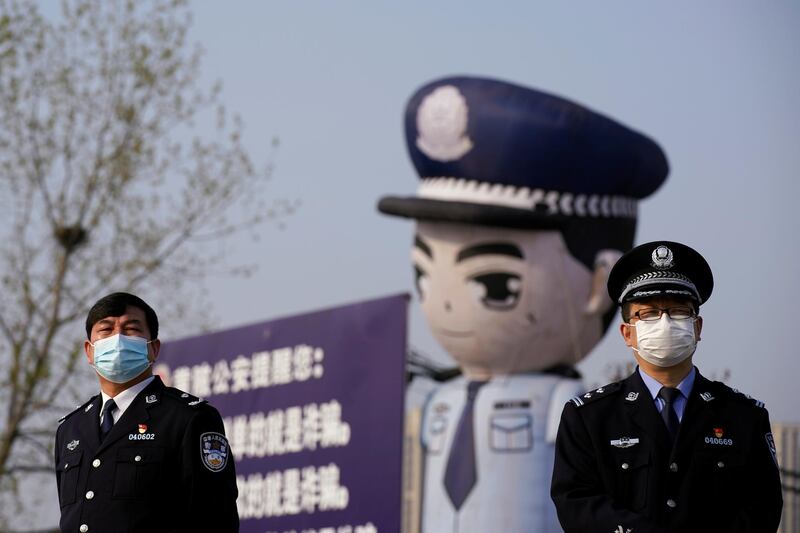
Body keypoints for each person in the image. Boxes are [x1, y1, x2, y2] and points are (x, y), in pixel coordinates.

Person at [378, 76, 669, 531]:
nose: (447, 306)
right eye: (425, 274)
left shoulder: (563, 405)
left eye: (496, 285)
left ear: (600, 284)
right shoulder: (441, 400)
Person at [551, 241, 783, 532]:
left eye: (678, 311)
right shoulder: (588, 417)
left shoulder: (744, 416)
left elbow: (763, 506)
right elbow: (576, 503)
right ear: (627, 333)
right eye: (648, 313)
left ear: (697, 328)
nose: (665, 322)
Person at [55, 292, 239, 532]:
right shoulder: (70, 428)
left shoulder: (187, 418)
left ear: (153, 349)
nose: (118, 339)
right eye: (106, 329)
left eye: (131, 329)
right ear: (89, 351)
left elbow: (215, 518)